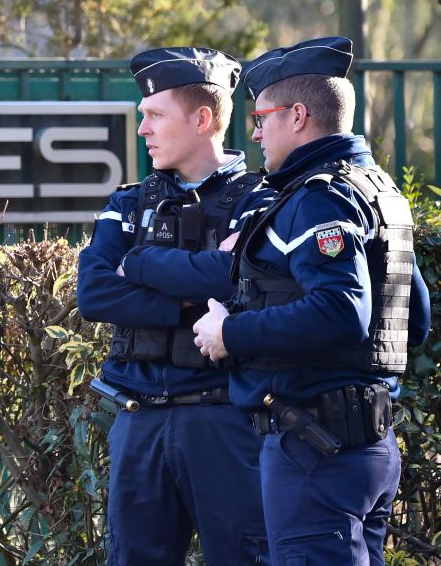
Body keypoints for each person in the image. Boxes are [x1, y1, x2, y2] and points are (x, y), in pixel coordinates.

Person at [192, 36, 432, 564]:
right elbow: (414, 322)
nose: (254, 134)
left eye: (261, 119)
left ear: (297, 115)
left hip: (315, 450)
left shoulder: (317, 196)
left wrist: (228, 334)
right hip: (368, 447)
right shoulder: (379, 188)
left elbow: (342, 311)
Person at [77, 46, 273, 565]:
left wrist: (138, 265)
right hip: (137, 419)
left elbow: (236, 281)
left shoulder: (260, 200)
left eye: (155, 115)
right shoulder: (128, 202)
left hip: (224, 420)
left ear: (203, 118)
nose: (143, 128)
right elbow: (95, 294)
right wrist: (197, 306)